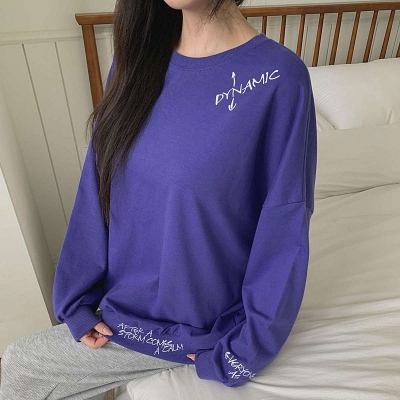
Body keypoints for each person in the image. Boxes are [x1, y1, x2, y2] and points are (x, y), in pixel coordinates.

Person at [0, 0, 318, 398]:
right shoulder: (136, 59)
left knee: (20, 363)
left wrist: (243, 351)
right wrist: (75, 300)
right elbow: (98, 187)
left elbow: (284, 223)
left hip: (197, 324)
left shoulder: (279, 77)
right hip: (120, 308)